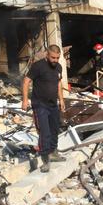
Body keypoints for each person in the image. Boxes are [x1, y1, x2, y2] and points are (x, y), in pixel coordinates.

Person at [21, 45, 67, 173]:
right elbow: (26, 81)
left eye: (57, 58)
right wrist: (25, 100)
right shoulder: (38, 66)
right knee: (45, 132)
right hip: (40, 104)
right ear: (47, 55)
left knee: (54, 129)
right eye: (53, 57)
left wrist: (61, 100)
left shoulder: (59, 67)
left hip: (53, 105)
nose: (55, 60)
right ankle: (45, 160)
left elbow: (58, 83)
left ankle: (53, 153)